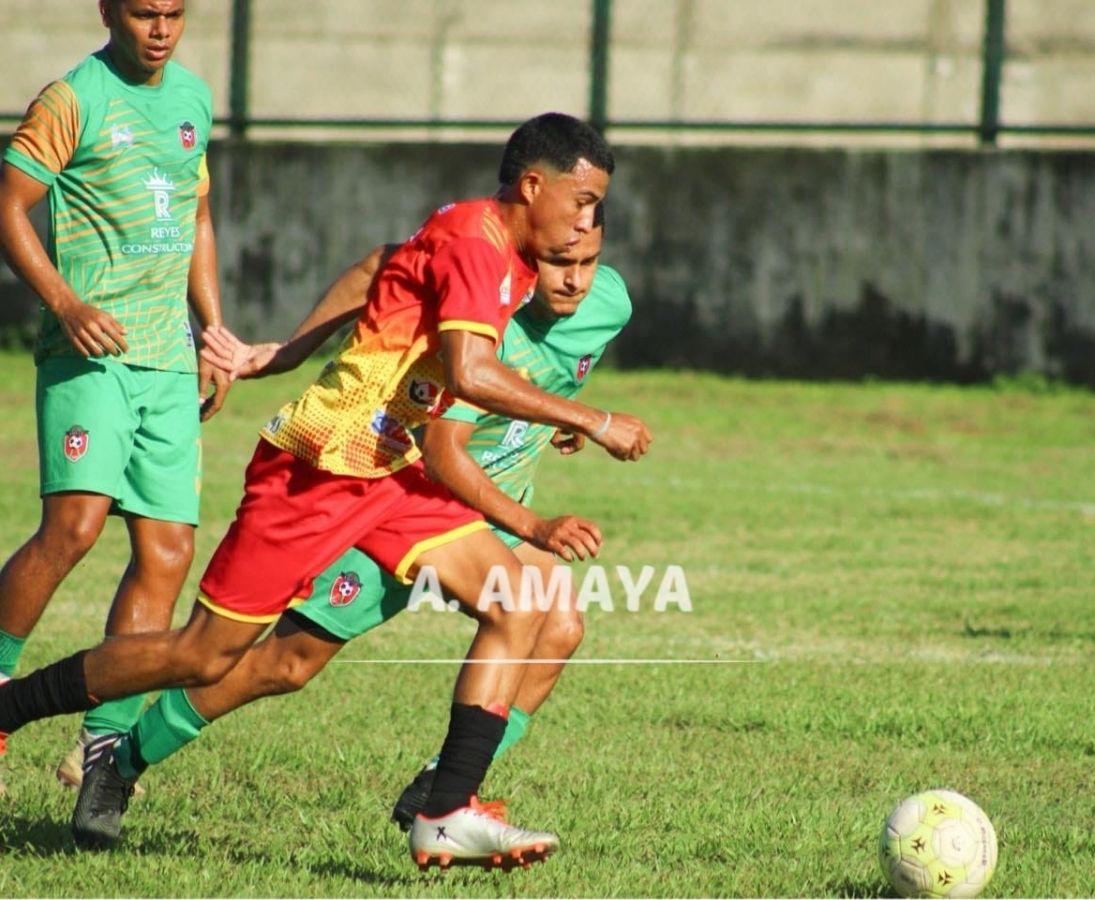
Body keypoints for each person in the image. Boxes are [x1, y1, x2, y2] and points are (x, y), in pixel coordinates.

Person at [0, 112, 651, 868]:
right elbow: (470, 373)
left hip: (392, 469)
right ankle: (12, 706)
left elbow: (380, 267)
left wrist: (288, 350)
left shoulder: (498, 243)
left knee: (520, 604)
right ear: (533, 187)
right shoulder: (479, 244)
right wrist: (593, 421)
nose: (588, 223)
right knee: (205, 655)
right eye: (583, 202)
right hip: (320, 469)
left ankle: (444, 811)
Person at [0, 0, 229, 795]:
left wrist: (213, 330)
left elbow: (197, 215)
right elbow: (8, 205)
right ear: (107, 10)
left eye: (173, 13)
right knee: (75, 526)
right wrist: (66, 304)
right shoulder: (74, 98)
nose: (159, 29)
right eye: (142, 13)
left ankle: (101, 745)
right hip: (90, 353)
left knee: (168, 553)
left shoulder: (194, 98)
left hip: (167, 359)